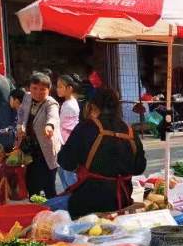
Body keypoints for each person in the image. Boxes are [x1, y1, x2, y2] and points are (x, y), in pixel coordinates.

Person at [57, 88, 146, 218]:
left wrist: (79, 167)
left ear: (92, 106)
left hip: (88, 203)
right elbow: (139, 168)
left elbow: (65, 161)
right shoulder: (130, 131)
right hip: (122, 201)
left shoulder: (86, 127)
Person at [17, 72, 61, 198]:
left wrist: (49, 127)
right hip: (30, 149)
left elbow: (53, 117)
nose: (38, 92)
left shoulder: (51, 103)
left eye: (43, 89)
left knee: (48, 185)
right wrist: (20, 126)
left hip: (46, 149)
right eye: (34, 88)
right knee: (31, 184)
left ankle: (52, 212)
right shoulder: (27, 98)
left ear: (49, 90)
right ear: (29, 88)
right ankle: (35, 211)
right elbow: (21, 113)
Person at [56, 74, 81, 190]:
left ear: (69, 88)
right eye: (57, 87)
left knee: (68, 173)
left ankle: (74, 196)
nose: (57, 89)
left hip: (67, 142)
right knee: (62, 171)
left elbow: (66, 126)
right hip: (66, 141)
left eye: (61, 86)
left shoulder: (69, 105)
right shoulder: (69, 103)